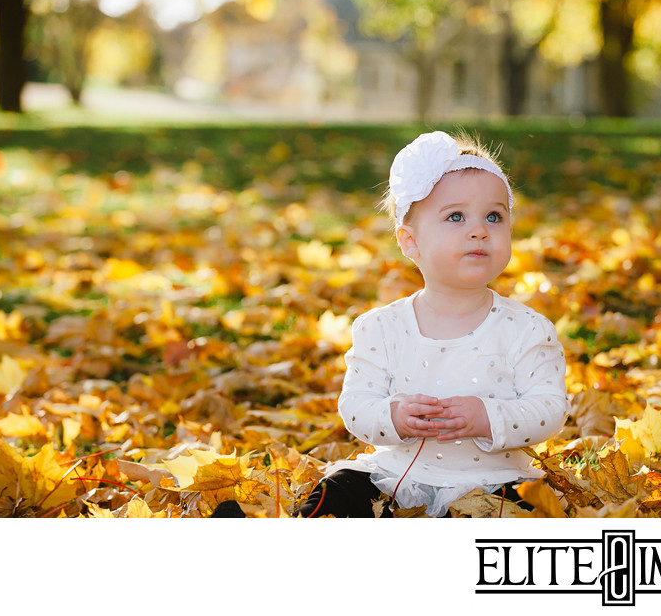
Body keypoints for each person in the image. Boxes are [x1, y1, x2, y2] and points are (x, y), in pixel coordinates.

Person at [212, 130, 569, 518]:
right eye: (455, 216)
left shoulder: (527, 328)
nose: (479, 229)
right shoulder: (380, 328)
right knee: (340, 489)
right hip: (396, 477)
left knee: (517, 511)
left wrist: (488, 417)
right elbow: (356, 406)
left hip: (494, 480)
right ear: (410, 241)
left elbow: (549, 408)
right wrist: (395, 417)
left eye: (494, 216)